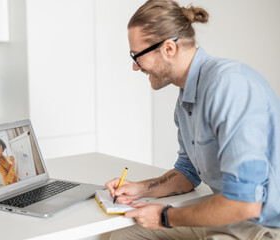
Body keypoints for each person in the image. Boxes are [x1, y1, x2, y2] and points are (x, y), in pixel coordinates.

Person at [105, 0, 280, 239]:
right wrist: (138, 189)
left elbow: (244, 203)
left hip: (263, 225)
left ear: (168, 48)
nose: (136, 67)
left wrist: (165, 216)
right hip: (229, 217)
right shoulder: (186, 99)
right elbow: (187, 173)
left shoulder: (230, 87)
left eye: (137, 56)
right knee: (121, 235)